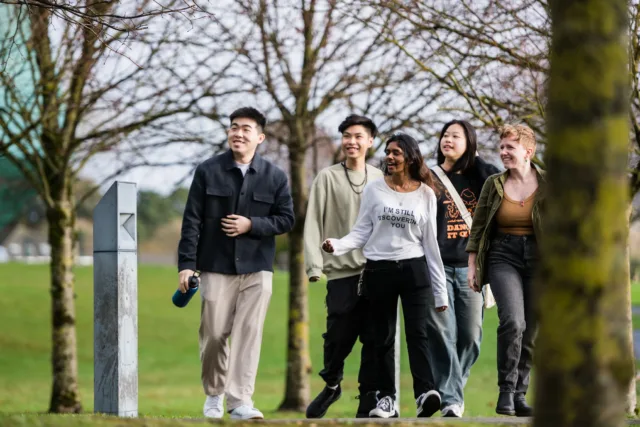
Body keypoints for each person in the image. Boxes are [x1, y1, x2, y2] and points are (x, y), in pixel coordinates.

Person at [177, 107, 294, 420]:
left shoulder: (275, 176)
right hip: (215, 266)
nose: (238, 133)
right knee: (214, 333)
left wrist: (251, 225)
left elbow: (286, 219)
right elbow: (191, 221)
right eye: (233, 127)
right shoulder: (207, 171)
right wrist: (186, 265)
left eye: (246, 129)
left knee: (248, 334)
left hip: (258, 268)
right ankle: (213, 394)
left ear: (260, 137)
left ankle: (240, 401)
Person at [322, 133, 448, 419]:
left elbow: (431, 244)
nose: (389, 157)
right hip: (379, 269)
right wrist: (337, 245)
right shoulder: (374, 190)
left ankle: (424, 394)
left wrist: (440, 292)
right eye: (388, 152)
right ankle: (386, 399)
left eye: (396, 153)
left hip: (415, 270)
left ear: (410, 158)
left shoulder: (426, 194)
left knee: (419, 334)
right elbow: (361, 231)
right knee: (383, 337)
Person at [303, 115, 385, 419]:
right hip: (340, 271)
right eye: (346, 136)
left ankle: (367, 398)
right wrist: (314, 266)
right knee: (338, 336)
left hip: (376, 272)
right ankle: (333, 383)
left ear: (370, 141)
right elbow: (312, 222)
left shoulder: (381, 179)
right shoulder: (327, 177)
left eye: (358, 136)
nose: (351, 141)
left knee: (374, 338)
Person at [466, 123, 544, 417]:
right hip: (503, 256)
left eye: (510, 147)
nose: (503, 152)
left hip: (539, 259)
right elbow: (478, 229)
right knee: (513, 321)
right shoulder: (494, 184)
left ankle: (520, 395)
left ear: (528, 150)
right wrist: (472, 266)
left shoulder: (549, 185)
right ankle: (506, 392)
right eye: (501, 147)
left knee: (531, 330)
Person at [426, 120, 500, 417]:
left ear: (470, 141)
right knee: (443, 334)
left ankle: (451, 389)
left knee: (470, 335)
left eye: (456, 136)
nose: (448, 140)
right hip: (438, 267)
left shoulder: (482, 175)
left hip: (471, 269)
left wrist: (476, 158)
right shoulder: (429, 177)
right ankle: (452, 400)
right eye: (445, 135)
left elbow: (498, 179)